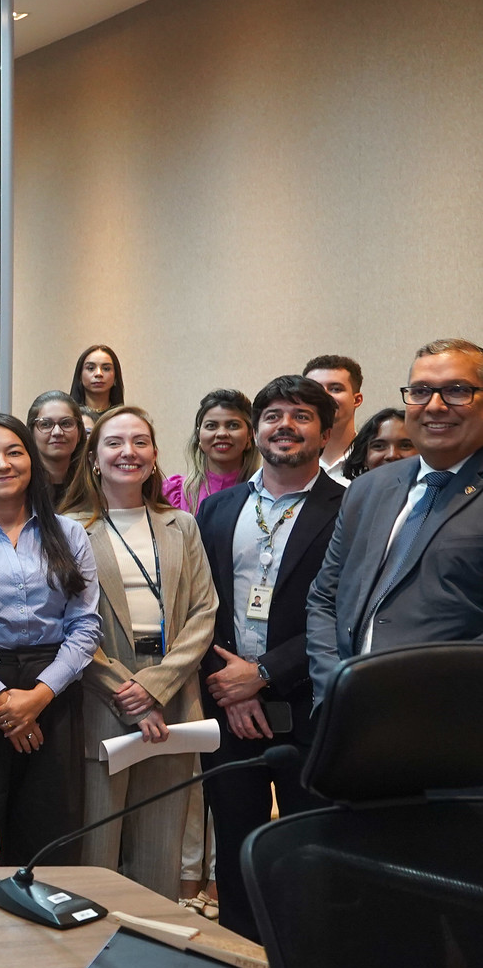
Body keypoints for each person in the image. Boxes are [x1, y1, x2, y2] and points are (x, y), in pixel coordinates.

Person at [191, 375, 341, 938]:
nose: (286, 425)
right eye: (274, 414)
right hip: (227, 712)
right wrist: (227, 684)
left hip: (308, 710)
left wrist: (263, 674)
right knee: (236, 850)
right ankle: (240, 964)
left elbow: (345, 614)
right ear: (257, 430)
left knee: (307, 854)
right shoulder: (217, 510)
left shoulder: (350, 508)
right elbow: (197, 607)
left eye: (301, 415)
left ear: (324, 433)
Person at [61, 407, 218, 901]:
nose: (128, 452)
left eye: (140, 442)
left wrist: (154, 688)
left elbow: (203, 612)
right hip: (100, 694)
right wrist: (126, 690)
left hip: (172, 694)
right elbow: (66, 624)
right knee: (97, 843)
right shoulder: (67, 528)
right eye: (114, 442)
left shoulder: (181, 525)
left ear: (154, 457)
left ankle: (153, 945)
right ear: (94, 458)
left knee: (161, 844)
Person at [0, 414, 101, 866]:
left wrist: (38, 696)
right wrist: (3, 699)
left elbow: (85, 626)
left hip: (56, 687)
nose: (2, 464)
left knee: (53, 821)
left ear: (31, 459)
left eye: (13, 452)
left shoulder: (69, 533)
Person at [307, 338, 483, 700]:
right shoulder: (368, 489)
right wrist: (333, 689)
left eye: (456, 390)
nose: (434, 406)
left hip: (454, 724)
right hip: (353, 719)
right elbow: (325, 598)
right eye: (420, 391)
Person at [163, 389, 259, 513]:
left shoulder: (264, 494)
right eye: (211, 426)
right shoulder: (173, 493)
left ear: (250, 435)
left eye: (233, 425)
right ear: (199, 436)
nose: (222, 434)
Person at [302, 354, 365, 483]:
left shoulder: (373, 460)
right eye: (315, 389)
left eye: (335, 389)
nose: (324, 396)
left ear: (357, 400)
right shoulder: (291, 463)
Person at [27, 391, 86, 499]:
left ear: (79, 433)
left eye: (66, 423)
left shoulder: (95, 484)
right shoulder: (20, 485)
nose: (57, 432)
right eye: (45, 424)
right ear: (31, 433)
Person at [338, 406, 415, 480]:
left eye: (405, 446)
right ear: (364, 456)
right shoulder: (353, 492)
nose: (392, 455)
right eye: (379, 446)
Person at [69, 345, 125, 428]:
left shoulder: (124, 418)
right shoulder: (68, 417)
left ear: (115, 377)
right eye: (91, 368)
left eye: (106, 369)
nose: (98, 374)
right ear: (80, 376)